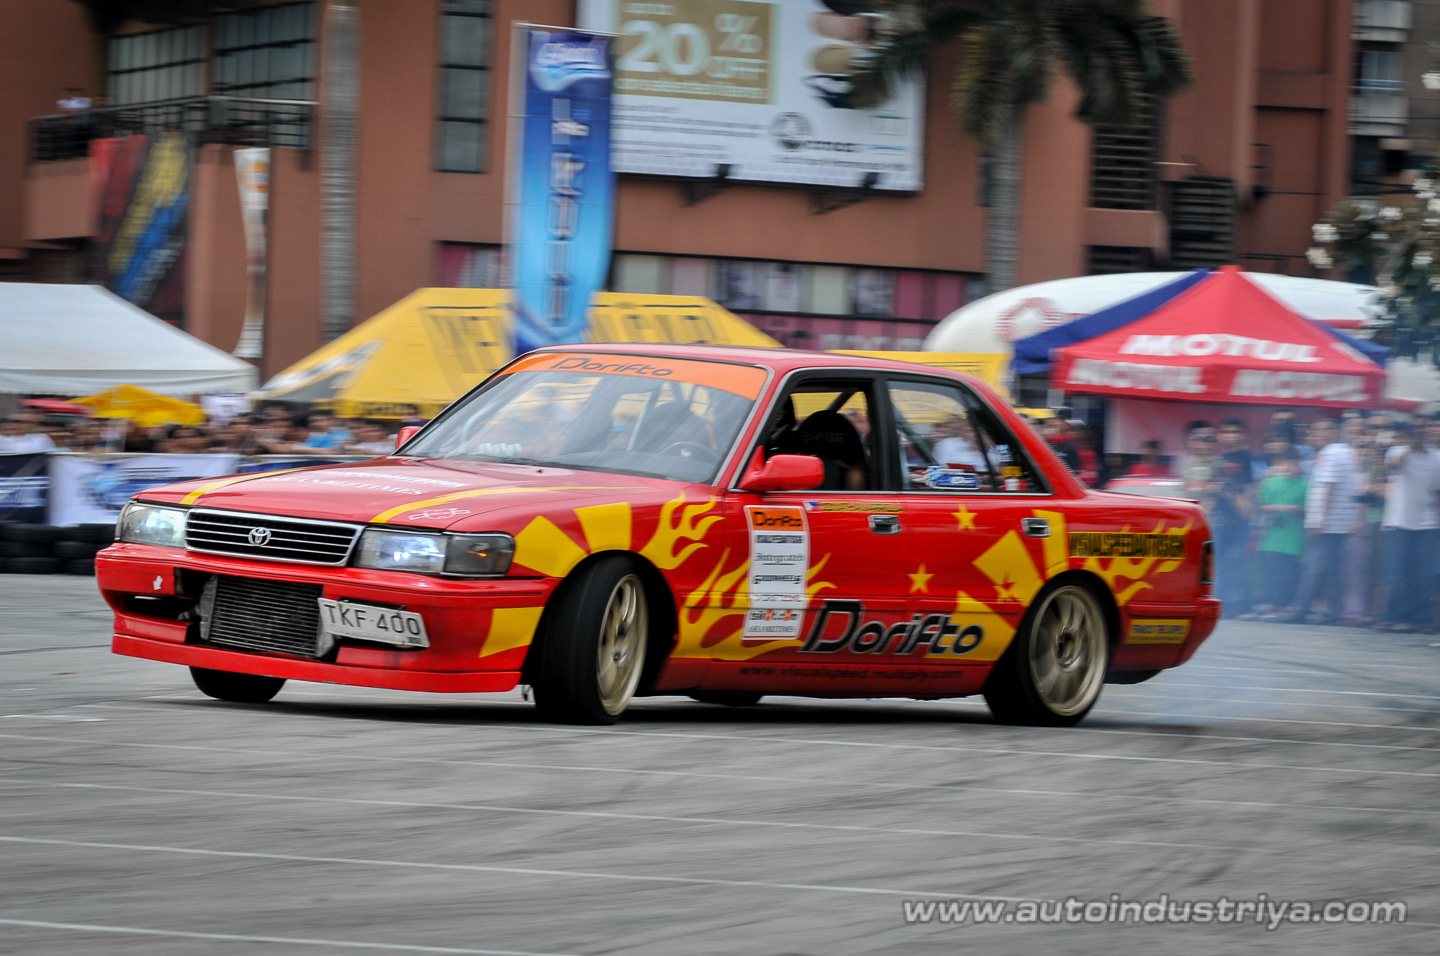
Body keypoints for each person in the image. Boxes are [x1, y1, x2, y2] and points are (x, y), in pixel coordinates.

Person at [1285, 418, 1358, 624]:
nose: (1317, 434)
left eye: (1322, 430)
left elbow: (1328, 487)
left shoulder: (1330, 454)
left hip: (1327, 523)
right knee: (1333, 569)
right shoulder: (1346, 452)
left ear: (1332, 432)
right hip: (1339, 522)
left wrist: (1318, 518)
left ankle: (1300, 610)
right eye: (1315, 430)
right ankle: (1335, 612)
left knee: (1313, 568)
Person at [1378, 419, 1440, 632]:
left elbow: (1437, 491)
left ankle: (1421, 618)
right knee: (1397, 573)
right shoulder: (1397, 451)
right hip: (1399, 521)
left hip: (1427, 523)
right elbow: (1391, 466)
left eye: (1425, 430)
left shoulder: (1437, 457)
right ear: (1411, 433)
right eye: (1417, 431)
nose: (1421, 434)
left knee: (1422, 574)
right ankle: (1393, 615)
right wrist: (1409, 450)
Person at [1256, 448, 1306, 618]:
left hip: (1294, 538)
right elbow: (1260, 506)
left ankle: (1287, 606)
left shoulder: (1305, 484)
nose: (1292, 467)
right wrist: (1278, 507)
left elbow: (1309, 510)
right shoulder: (1270, 483)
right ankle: (1273, 605)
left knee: (1291, 573)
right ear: (1282, 464)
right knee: (1272, 572)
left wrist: (1295, 509)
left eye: (1295, 463)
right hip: (1271, 537)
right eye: (1289, 463)